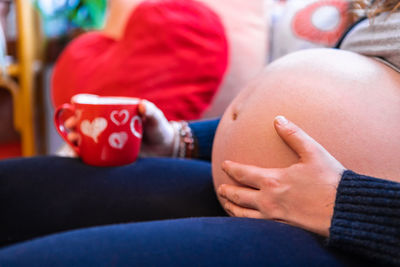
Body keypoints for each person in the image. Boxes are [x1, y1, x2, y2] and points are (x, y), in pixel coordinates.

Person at [0, 0, 399, 266]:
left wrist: (348, 206)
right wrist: (184, 141)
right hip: (275, 192)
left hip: (356, 234)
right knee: (15, 189)